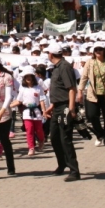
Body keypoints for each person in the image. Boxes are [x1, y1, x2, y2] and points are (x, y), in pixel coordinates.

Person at [44, 43, 80, 181]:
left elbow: (71, 89)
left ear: (51, 54)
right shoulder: (57, 67)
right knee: (54, 138)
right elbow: (59, 89)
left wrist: (71, 108)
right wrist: (52, 106)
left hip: (65, 107)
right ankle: (62, 163)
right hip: (57, 106)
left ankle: (74, 170)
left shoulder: (64, 67)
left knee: (65, 139)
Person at [77, 42, 105, 147]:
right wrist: (80, 91)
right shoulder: (90, 62)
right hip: (93, 94)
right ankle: (100, 134)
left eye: (100, 49)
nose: (98, 51)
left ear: (104, 50)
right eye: (96, 49)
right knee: (91, 115)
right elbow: (84, 77)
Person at [12, 66, 46, 155]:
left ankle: (41, 140)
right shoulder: (22, 88)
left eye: (30, 76)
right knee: (29, 130)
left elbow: (42, 100)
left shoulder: (38, 88)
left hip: (37, 112)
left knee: (39, 130)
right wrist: (8, 106)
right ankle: (31, 147)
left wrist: (44, 111)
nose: (28, 78)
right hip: (27, 112)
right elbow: (19, 101)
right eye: (26, 77)